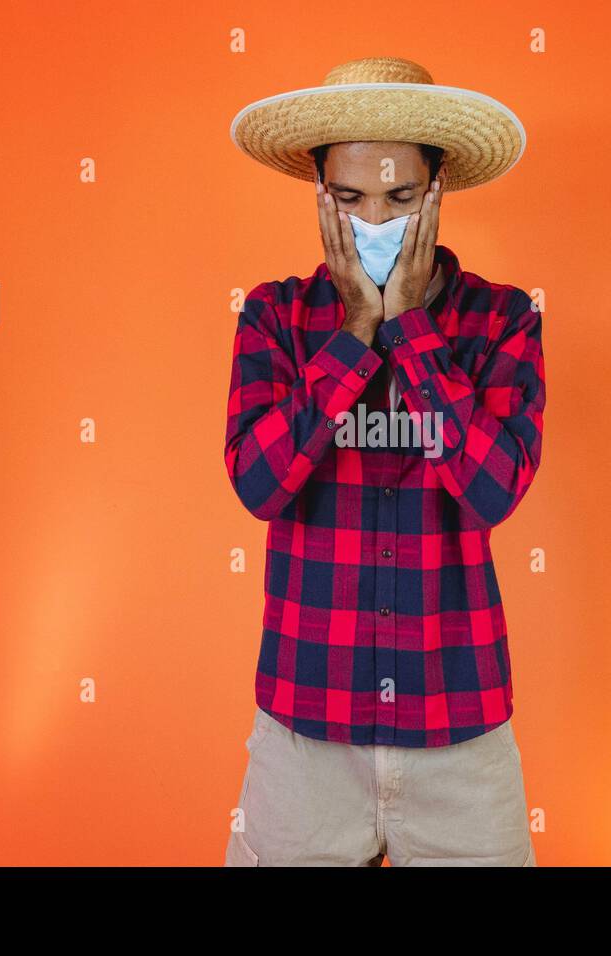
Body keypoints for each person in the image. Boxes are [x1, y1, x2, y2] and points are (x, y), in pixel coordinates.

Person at [223, 56, 546, 865]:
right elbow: (259, 484)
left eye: (400, 198)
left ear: (437, 190)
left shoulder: (503, 320)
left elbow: (494, 490)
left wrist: (409, 328)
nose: (376, 218)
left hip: (458, 728)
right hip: (306, 728)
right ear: (321, 195)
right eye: (352, 197)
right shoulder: (274, 318)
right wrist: (355, 337)